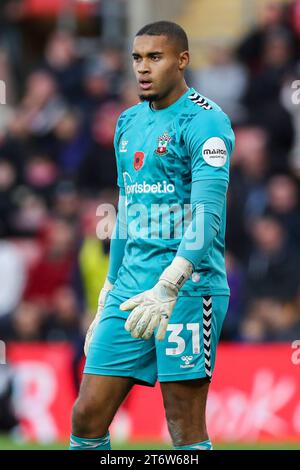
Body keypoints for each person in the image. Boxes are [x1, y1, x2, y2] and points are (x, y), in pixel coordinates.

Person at [70, 21, 235, 451]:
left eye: (155, 57)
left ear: (182, 61)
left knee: (182, 423)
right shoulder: (127, 123)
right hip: (129, 289)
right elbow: (126, 212)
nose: (143, 68)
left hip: (187, 289)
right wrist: (108, 288)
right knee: (86, 415)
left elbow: (207, 217)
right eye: (137, 58)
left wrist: (169, 283)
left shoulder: (207, 123)